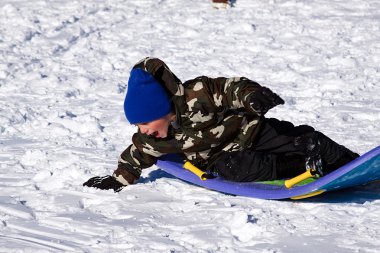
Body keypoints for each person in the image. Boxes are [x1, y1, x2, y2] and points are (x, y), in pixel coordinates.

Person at [83, 57, 359, 192]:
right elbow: (136, 156)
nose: (144, 131)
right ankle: (306, 167)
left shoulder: (196, 95)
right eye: (138, 126)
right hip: (222, 157)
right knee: (235, 169)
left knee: (303, 140)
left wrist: (252, 96)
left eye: (145, 122)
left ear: (162, 109)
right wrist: (117, 179)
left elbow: (230, 88)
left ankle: (352, 164)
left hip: (251, 131)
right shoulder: (154, 138)